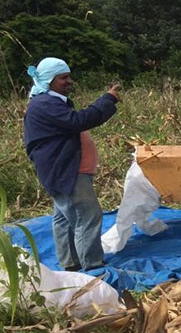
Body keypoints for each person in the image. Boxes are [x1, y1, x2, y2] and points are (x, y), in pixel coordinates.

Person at [23, 58, 121, 271]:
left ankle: (70, 264)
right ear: (49, 80)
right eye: (63, 78)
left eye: (69, 76)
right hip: (67, 171)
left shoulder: (50, 102)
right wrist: (107, 100)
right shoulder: (46, 104)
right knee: (87, 216)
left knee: (64, 217)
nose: (69, 81)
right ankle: (93, 267)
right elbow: (78, 121)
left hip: (64, 170)